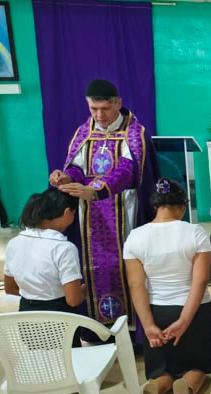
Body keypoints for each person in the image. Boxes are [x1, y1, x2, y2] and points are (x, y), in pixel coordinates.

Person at [49, 79, 157, 342]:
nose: (99, 115)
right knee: (94, 268)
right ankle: (97, 330)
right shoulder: (84, 131)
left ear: (118, 103)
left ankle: (132, 333)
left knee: (124, 265)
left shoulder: (135, 133)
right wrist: (66, 177)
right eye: (93, 109)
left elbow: (128, 170)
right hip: (89, 215)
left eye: (105, 109)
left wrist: (97, 189)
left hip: (124, 211)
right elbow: (77, 167)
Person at [123, 179, 211, 394]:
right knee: (197, 367)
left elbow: (135, 285)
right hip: (193, 311)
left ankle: (157, 387)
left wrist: (148, 325)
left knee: (161, 369)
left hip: (156, 312)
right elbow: (200, 281)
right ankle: (186, 388)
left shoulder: (135, 237)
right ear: (182, 206)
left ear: (156, 206)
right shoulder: (194, 233)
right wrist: (184, 320)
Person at [4, 190, 85, 326]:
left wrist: (36, 295)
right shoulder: (64, 248)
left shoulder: (14, 243)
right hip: (59, 318)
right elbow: (73, 300)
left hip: (26, 317)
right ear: (67, 212)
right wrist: (85, 290)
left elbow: (10, 288)